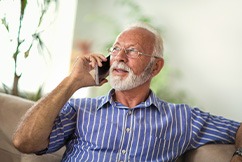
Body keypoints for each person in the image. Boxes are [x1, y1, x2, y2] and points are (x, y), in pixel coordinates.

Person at [13, 22, 242, 162]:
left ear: (155, 66)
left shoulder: (182, 118)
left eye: (132, 51)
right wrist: (72, 82)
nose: (119, 58)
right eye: (116, 49)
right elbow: (24, 142)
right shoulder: (80, 110)